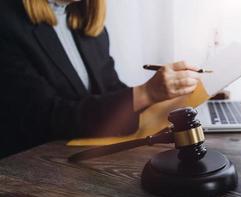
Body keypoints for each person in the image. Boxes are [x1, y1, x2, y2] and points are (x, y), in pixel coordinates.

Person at [0, 0, 200, 158]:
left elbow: (110, 90)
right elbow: (48, 117)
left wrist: (166, 97)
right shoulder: (6, 22)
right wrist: (146, 93)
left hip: (80, 157)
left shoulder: (84, 20)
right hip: (29, 167)